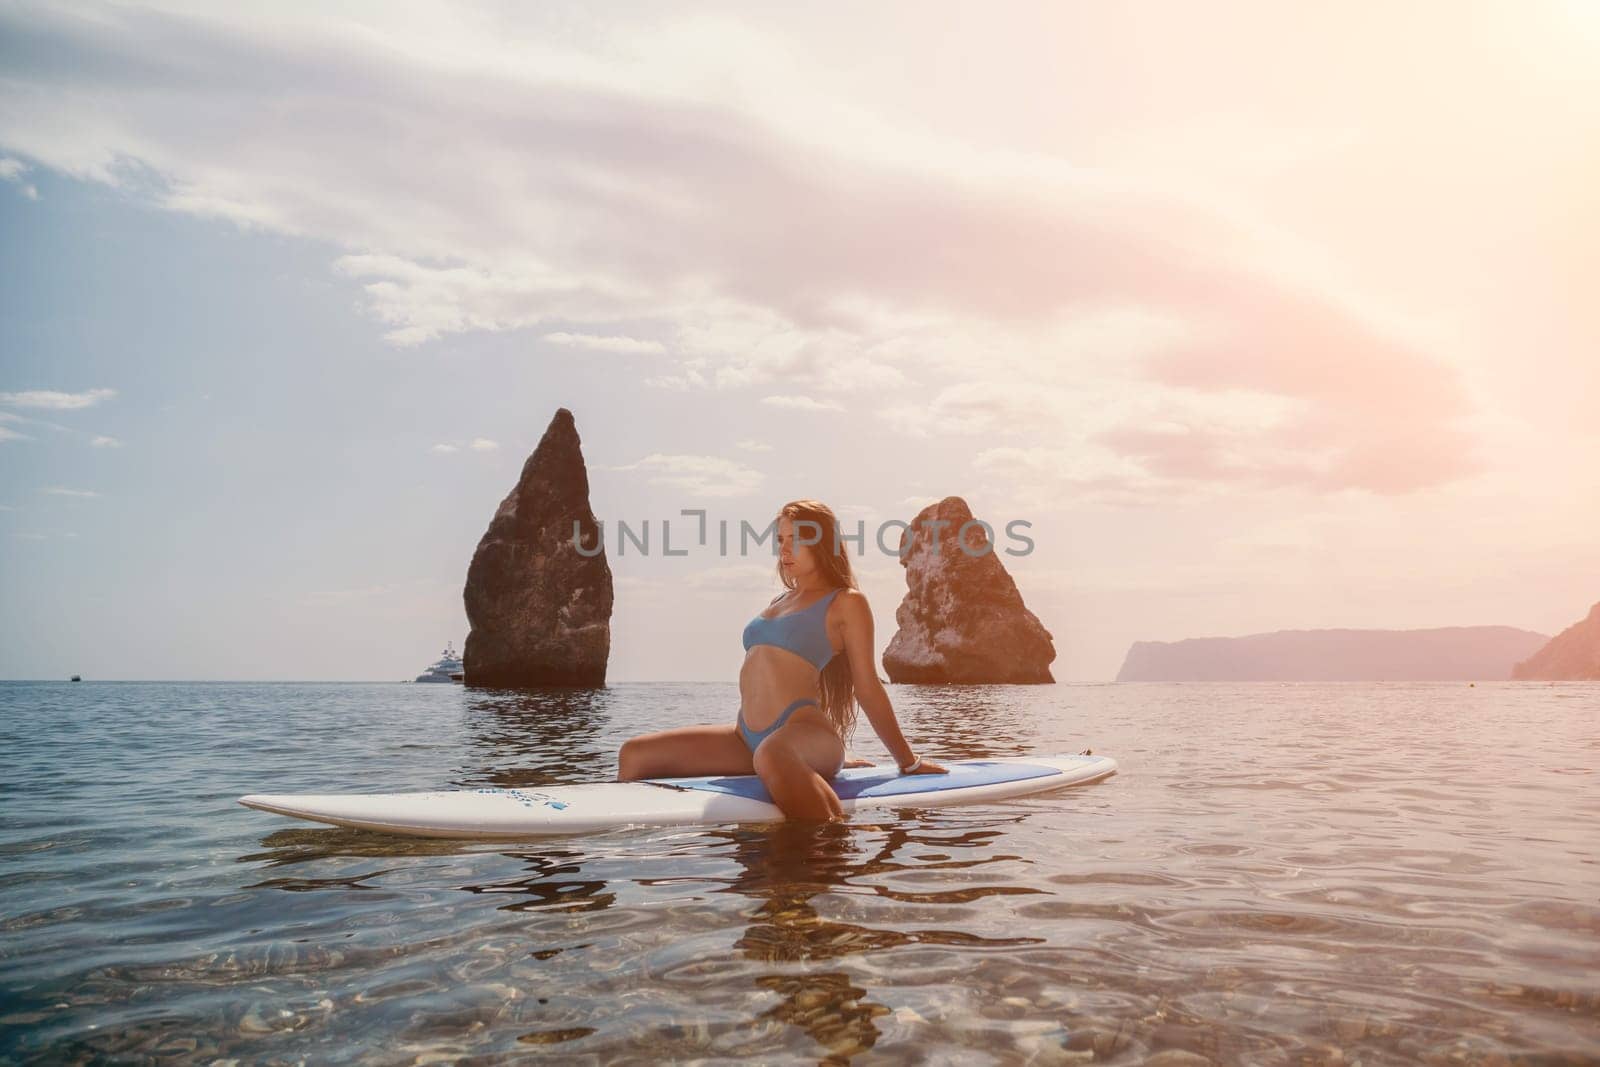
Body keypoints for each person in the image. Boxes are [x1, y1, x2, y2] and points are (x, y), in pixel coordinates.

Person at [618, 498, 948, 820]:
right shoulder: (781, 599)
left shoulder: (847, 602)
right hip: (745, 737)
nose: (784, 549)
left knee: (773, 755)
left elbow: (867, 686)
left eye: (797, 539)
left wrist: (908, 761)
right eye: (781, 540)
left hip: (798, 730)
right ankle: (616, 841)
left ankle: (828, 853)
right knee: (634, 754)